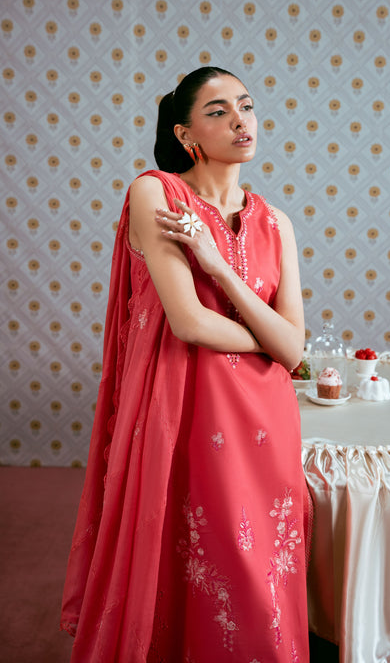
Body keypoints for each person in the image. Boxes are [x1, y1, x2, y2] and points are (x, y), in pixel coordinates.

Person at [60, 66, 312, 662]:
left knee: (263, 573)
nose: (240, 121)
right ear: (185, 133)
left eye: (246, 106)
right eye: (218, 111)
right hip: (188, 411)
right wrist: (273, 340)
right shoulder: (157, 194)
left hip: (266, 420)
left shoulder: (277, 223)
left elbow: (296, 350)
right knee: (198, 560)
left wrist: (216, 265)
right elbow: (190, 322)